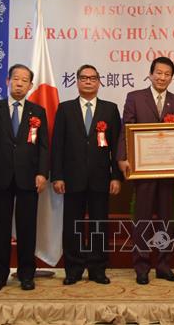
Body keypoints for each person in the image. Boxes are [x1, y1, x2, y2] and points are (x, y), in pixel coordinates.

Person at [0, 64, 49, 291]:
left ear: (30, 85)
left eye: (24, 80)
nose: (19, 83)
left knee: (27, 227)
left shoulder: (37, 111)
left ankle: (27, 274)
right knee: (0, 229)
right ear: (7, 81)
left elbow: (43, 147)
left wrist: (41, 173)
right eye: (15, 78)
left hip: (29, 177)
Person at [117, 56, 174, 285]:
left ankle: (164, 265)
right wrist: (122, 158)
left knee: (166, 220)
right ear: (150, 73)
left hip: (168, 172)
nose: (162, 77)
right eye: (159, 72)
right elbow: (125, 129)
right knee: (143, 220)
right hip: (142, 169)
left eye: (167, 74)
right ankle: (142, 266)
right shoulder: (135, 98)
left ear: (171, 78)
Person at [52, 64, 122, 285]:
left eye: (93, 78)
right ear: (77, 81)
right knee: (72, 224)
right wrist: (58, 176)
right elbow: (57, 146)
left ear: (99, 81)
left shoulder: (110, 109)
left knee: (98, 225)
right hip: (71, 179)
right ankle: (73, 269)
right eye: (84, 78)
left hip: (101, 179)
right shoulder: (65, 109)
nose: (88, 81)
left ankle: (97, 268)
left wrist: (116, 177)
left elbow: (117, 147)